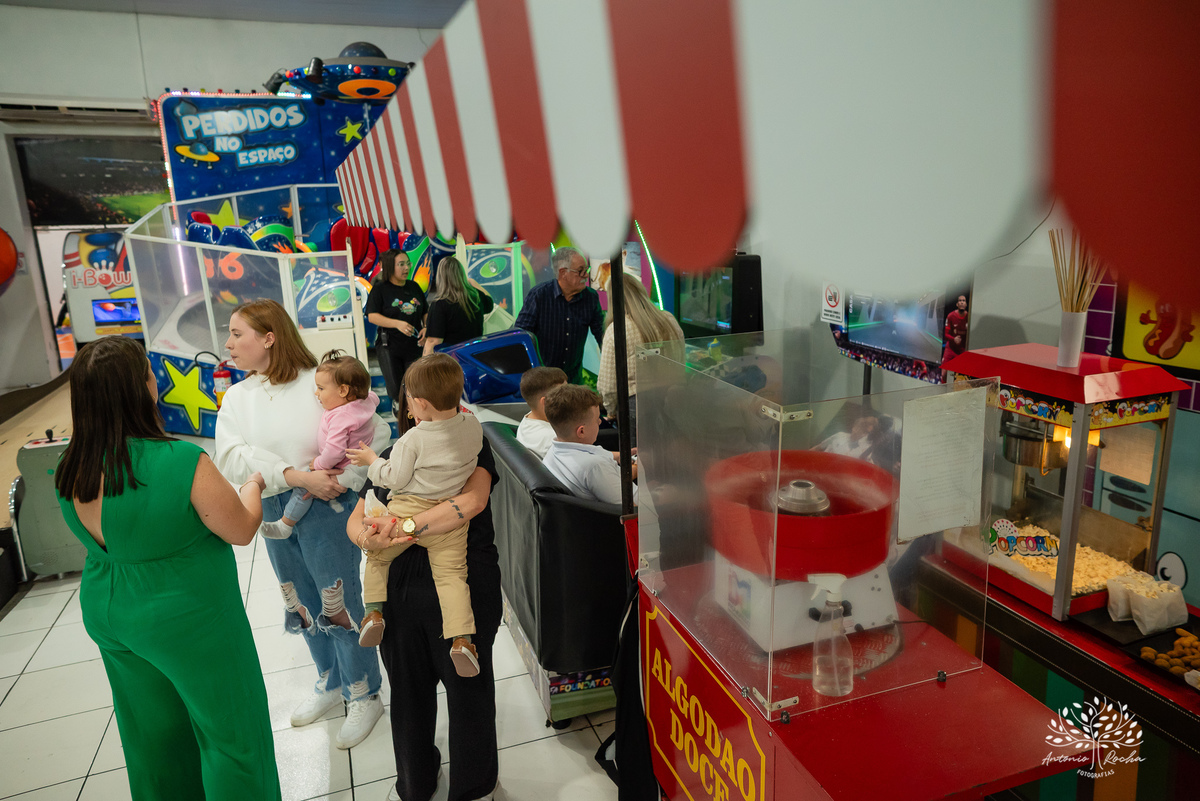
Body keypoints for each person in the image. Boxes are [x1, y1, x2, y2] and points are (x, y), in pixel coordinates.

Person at [54, 335, 281, 799]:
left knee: (154, 741)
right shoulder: (178, 460)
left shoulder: (69, 465)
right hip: (185, 616)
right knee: (231, 737)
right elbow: (239, 529)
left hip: (109, 611)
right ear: (142, 388)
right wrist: (254, 486)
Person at [215, 299, 389, 750]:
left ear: (269, 336)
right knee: (300, 600)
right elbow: (231, 458)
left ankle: (364, 691)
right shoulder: (238, 397)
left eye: (237, 334)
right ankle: (331, 680)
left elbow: (376, 434)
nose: (228, 344)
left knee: (340, 599)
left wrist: (340, 480)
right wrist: (293, 474)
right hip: (272, 510)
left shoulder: (321, 382)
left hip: (330, 509)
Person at [348, 383, 502, 801]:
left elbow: (474, 499)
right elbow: (359, 516)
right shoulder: (402, 449)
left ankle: (468, 786)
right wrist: (367, 538)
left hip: (458, 578)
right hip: (412, 587)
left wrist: (404, 528)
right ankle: (418, 783)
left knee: (463, 691)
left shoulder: (468, 439)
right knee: (412, 693)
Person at [345, 354, 483, 676]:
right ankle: (462, 640)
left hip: (409, 509)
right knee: (451, 577)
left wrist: (371, 460)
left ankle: (374, 613)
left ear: (419, 404)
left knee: (379, 559)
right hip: (450, 515)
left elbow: (393, 478)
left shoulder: (413, 439)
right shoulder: (473, 425)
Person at [258, 349, 379, 540]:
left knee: (305, 489)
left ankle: (285, 525)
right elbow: (372, 397)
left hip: (342, 468)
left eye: (321, 389)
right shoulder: (366, 400)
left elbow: (335, 451)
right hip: (355, 468)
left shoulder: (341, 417)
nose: (316, 393)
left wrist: (319, 464)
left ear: (343, 390)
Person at [597, 272, 684, 431]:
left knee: (637, 454)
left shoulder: (618, 329)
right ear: (642, 292)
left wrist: (610, 411)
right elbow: (679, 359)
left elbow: (608, 384)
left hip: (635, 406)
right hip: (672, 399)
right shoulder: (668, 319)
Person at [515, 246, 604, 382]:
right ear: (563, 273)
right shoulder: (539, 296)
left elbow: (602, 335)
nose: (586, 276)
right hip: (543, 381)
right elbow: (521, 336)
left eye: (587, 270)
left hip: (573, 380)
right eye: (580, 271)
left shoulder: (590, 298)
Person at [542, 383, 637, 505]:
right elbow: (633, 506)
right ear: (581, 431)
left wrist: (629, 459)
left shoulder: (553, 451)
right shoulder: (595, 467)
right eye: (597, 419)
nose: (599, 421)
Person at [366, 248, 426, 409]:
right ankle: (402, 421)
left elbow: (425, 312)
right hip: (390, 347)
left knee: (417, 388)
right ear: (390, 267)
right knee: (398, 392)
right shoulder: (380, 289)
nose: (406, 268)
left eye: (408, 263)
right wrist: (397, 323)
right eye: (401, 264)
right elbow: (372, 316)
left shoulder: (414, 287)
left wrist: (426, 327)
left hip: (414, 347)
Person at [424, 255, 494, 354]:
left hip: (452, 360)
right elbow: (490, 302)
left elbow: (434, 342)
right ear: (461, 274)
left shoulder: (440, 304)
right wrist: (474, 283)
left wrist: (423, 366)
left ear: (441, 277)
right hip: (475, 355)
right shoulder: (475, 297)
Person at [515, 365, 567, 458]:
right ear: (546, 402)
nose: (569, 399)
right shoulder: (554, 439)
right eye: (564, 395)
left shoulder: (528, 419)